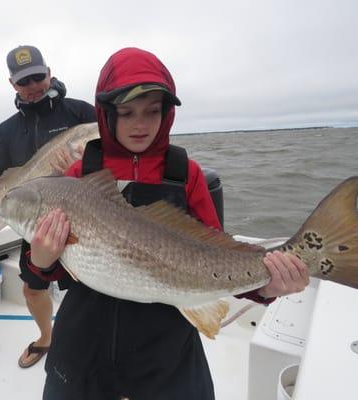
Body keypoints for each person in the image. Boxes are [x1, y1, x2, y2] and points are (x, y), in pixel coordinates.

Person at [24, 48, 310, 399]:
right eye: (126, 113)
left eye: (152, 111)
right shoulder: (78, 175)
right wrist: (40, 261)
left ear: (167, 113)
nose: (140, 124)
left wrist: (265, 287)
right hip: (85, 342)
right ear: (106, 114)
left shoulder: (184, 174)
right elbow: (53, 268)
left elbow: (215, 257)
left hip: (165, 347)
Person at [0, 45, 96, 368]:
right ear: (13, 85)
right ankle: (46, 336)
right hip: (34, 223)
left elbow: (114, 163)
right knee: (32, 289)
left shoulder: (81, 114)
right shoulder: (7, 130)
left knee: (90, 293)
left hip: (88, 222)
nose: (33, 85)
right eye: (25, 81)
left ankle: (92, 348)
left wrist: (80, 166)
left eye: (38, 76)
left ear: (49, 73)